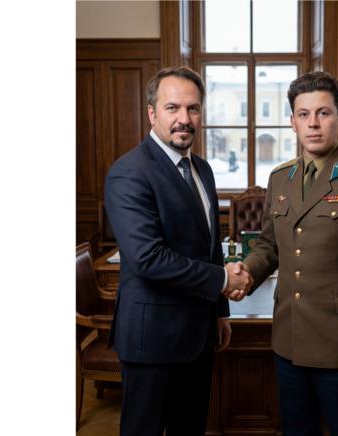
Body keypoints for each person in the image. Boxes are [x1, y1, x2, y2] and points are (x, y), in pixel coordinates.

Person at [229, 71, 338, 436]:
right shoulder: (281, 177)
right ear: (292, 122)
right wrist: (246, 273)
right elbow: (269, 245)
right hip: (289, 341)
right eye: (303, 114)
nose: (313, 123)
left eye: (323, 113)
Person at [104, 66, 250, 436]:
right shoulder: (129, 172)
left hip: (199, 334)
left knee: (190, 429)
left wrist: (220, 312)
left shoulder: (202, 169)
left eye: (193, 108)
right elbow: (147, 258)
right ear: (152, 113)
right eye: (173, 108)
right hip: (151, 338)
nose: (184, 118)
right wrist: (222, 280)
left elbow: (210, 246)